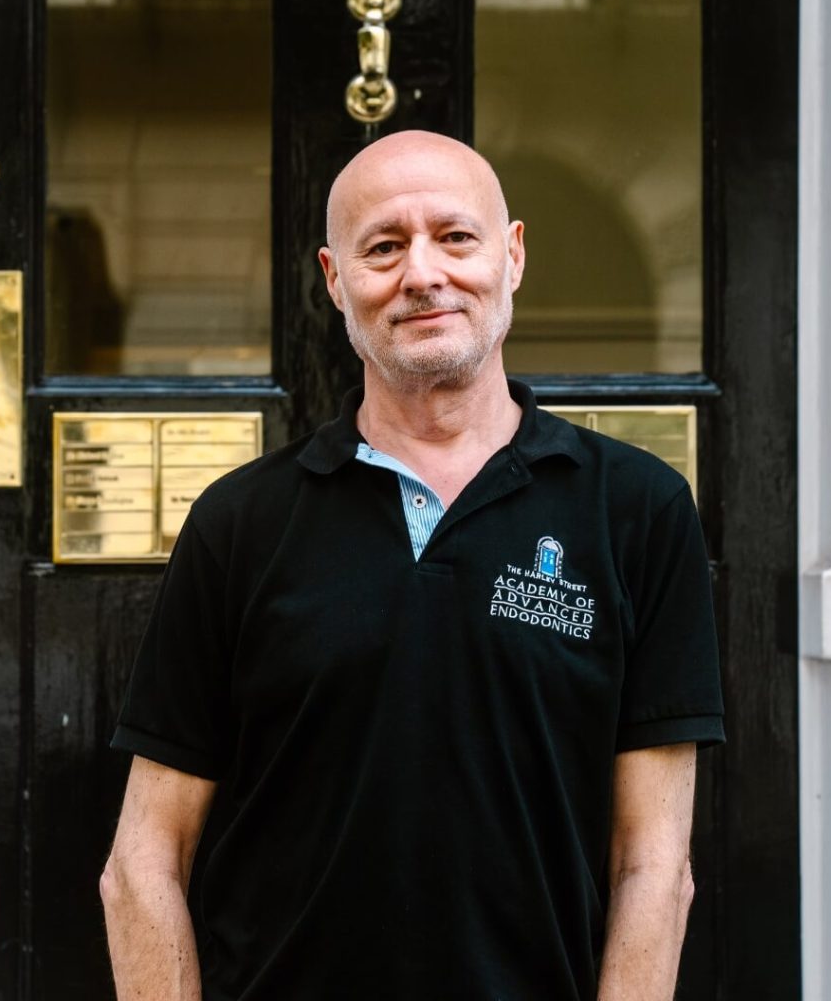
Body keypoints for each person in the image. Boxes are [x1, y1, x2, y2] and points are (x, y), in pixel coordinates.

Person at [100, 130, 724, 1001]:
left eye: (456, 238)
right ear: (334, 280)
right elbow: (142, 862)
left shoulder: (637, 512)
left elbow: (653, 868)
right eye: (384, 247)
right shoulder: (240, 523)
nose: (422, 274)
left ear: (512, 256)